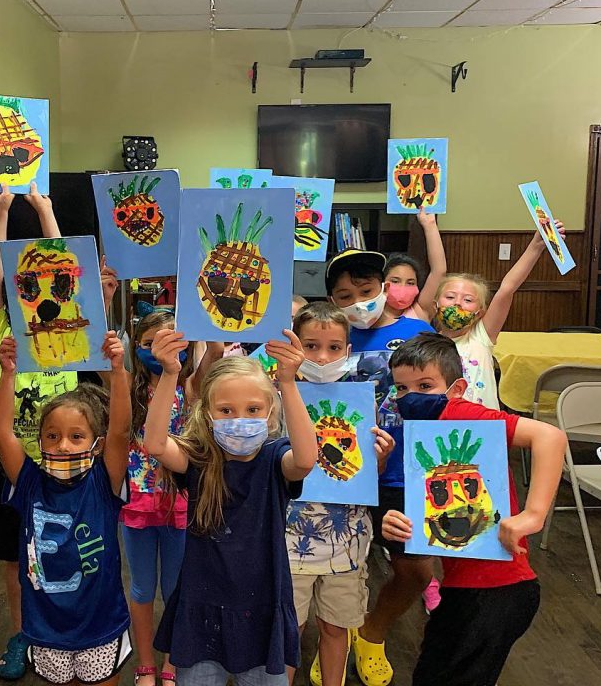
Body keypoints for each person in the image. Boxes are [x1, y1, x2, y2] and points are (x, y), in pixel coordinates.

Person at [380, 333, 566, 686]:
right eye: (401, 389)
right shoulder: (426, 432)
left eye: (425, 385)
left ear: (457, 388)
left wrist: (533, 514)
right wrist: (400, 522)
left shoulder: (460, 413)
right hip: (467, 587)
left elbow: (550, 437)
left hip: (495, 590)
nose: (411, 396)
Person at [145, 328, 318, 686]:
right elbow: (156, 444)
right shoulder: (201, 459)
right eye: (226, 410)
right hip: (202, 607)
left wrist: (288, 384)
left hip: (262, 608)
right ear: (207, 414)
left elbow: (305, 459)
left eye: (253, 409)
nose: (240, 418)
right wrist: (170, 374)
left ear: (270, 415)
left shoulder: (274, 459)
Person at [0, 183, 84, 680]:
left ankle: (65, 626)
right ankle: (23, 632)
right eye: (25, 288)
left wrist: (45, 207)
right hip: (14, 461)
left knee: (68, 545)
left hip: (67, 459)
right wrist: (0, 211)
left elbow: (62, 261)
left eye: (43, 287)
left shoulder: (69, 327)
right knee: (15, 554)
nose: (33, 295)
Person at [0, 331, 133, 686]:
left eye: (76, 436)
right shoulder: (29, 483)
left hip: (100, 623)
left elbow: (121, 430)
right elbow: (2, 433)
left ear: (96, 445)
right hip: (45, 625)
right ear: (40, 442)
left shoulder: (103, 481)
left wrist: (117, 371)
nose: (64, 445)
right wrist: (8, 375)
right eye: (52, 436)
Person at [326, 249, 434, 686]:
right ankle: (333, 641)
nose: (357, 302)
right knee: (339, 569)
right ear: (332, 301)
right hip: (341, 473)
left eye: (366, 291)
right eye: (344, 295)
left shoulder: (417, 331)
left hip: (404, 473)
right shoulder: (329, 335)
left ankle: (372, 632)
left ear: (384, 288)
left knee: (415, 570)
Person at [284, 303, 395, 686]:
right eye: (311, 346)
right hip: (288, 538)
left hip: (346, 539)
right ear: (294, 344)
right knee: (288, 632)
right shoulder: (277, 394)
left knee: (336, 628)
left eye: (334, 348)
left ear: (348, 351)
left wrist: (380, 458)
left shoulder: (362, 400)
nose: (322, 357)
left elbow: (368, 473)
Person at [123, 310, 195, 686]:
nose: (159, 349)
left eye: (169, 340)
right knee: (141, 587)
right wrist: (104, 299)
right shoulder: (129, 388)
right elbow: (105, 362)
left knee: (175, 588)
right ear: (136, 349)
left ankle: (172, 663)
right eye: (150, 343)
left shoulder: (192, 386)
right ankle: (145, 662)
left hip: (180, 502)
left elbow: (213, 351)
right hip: (138, 502)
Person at [432, 222, 565, 409]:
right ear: (435, 304)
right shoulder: (429, 345)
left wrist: (536, 246)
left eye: (468, 300)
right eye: (450, 297)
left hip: (485, 426)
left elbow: (507, 288)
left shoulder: (481, 336)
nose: (457, 303)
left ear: (480, 313)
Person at [382, 211, 446, 323]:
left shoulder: (420, 310)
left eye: (410, 283)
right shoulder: (371, 315)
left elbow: (439, 270)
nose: (402, 287)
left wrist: (430, 225)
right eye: (395, 281)